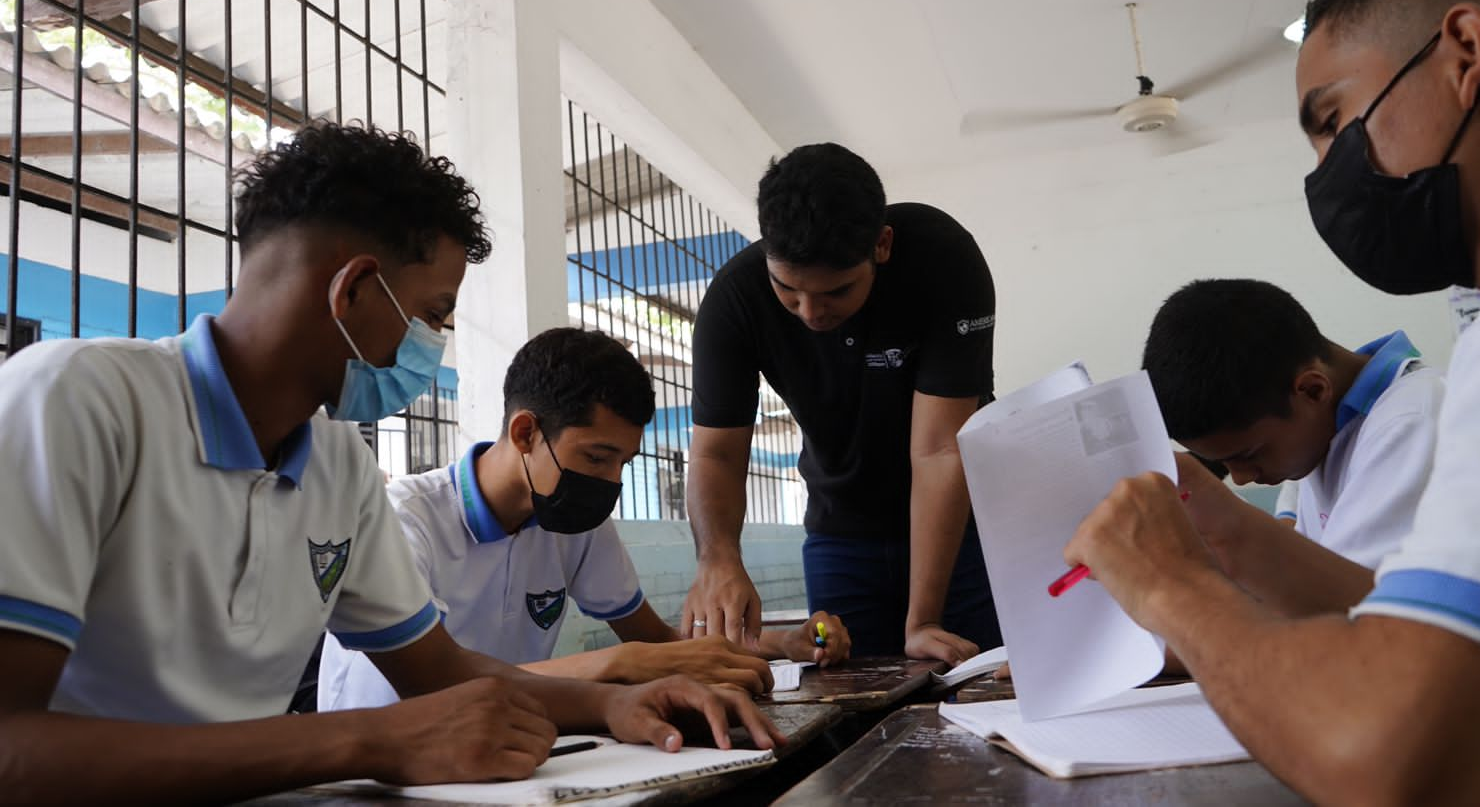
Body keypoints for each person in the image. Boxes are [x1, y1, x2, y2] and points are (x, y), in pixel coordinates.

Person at [0, 123, 779, 805]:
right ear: (354, 289)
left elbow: (437, 671)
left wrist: (614, 705)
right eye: (435, 313)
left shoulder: (339, 466)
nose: (431, 345)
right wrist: (361, 741)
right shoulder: (76, 402)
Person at [1064, 0, 1480, 801]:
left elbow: (1391, 760)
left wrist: (1167, 586)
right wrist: (1227, 539)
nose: (1326, 176)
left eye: (1334, 120)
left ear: (1465, 51)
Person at [318, 327, 850, 712]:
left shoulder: (574, 522)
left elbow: (657, 641)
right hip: (389, 766)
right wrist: (614, 666)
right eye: (596, 458)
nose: (610, 483)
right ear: (525, 433)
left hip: (501, 739)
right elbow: (432, 684)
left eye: (623, 464)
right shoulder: (406, 521)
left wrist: (782, 645)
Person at [682, 143, 1001, 663]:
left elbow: (940, 450)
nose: (809, 312)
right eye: (787, 289)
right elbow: (716, 454)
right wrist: (718, 559)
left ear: (881, 245)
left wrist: (923, 621)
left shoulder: (944, 260)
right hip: (841, 534)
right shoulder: (733, 301)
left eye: (835, 292)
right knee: (848, 693)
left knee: (977, 684)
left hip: (964, 529)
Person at [1144, 278, 1444, 578]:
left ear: (1312, 390)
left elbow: (1356, 609)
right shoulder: (1326, 429)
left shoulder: (1410, 424)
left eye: (1247, 455)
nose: (1240, 476)